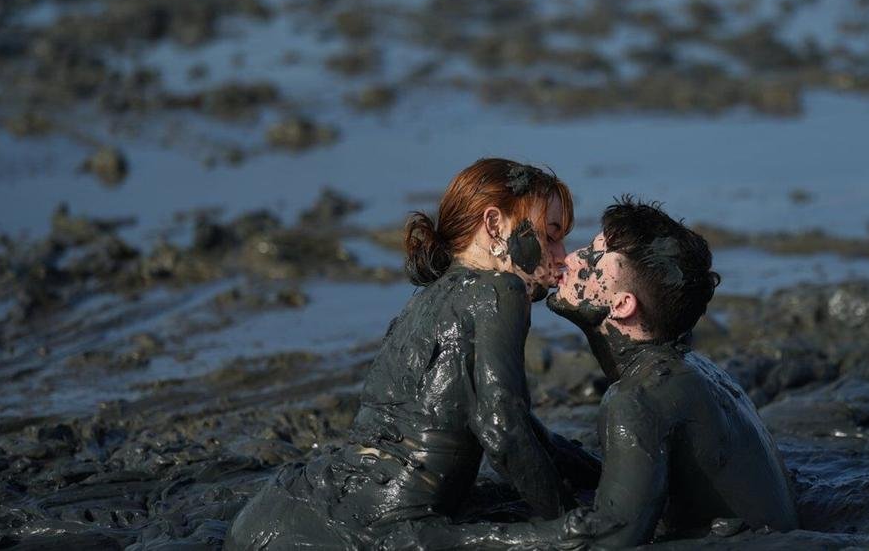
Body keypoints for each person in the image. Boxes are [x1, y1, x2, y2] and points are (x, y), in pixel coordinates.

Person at [382, 196, 799, 549]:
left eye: (596, 256)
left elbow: (612, 539)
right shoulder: (695, 368)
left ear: (622, 305)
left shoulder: (636, 399)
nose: (571, 256)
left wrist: (453, 540)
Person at [225, 158, 600, 550]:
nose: (563, 256)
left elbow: (521, 428)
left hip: (278, 512)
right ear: (494, 224)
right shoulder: (499, 291)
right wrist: (569, 523)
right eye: (550, 236)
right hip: (381, 528)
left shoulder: (428, 298)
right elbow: (503, 431)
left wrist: (595, 473)